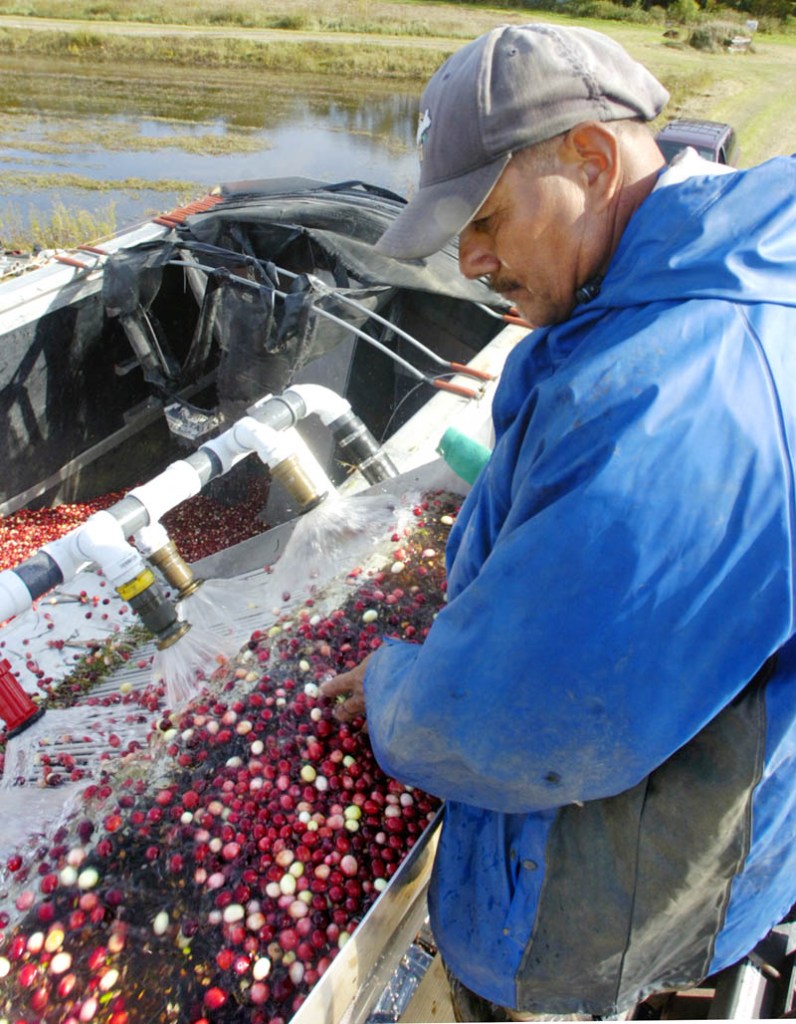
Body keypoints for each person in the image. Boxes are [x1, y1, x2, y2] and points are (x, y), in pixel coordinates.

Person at [321, 22, 796, 1022]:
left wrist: (390, 687)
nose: (472, 258)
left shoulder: (681, 399)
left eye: (486, 217)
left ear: (588, 154)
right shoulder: (678, 285)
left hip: (602, 892)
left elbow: (526, 724)